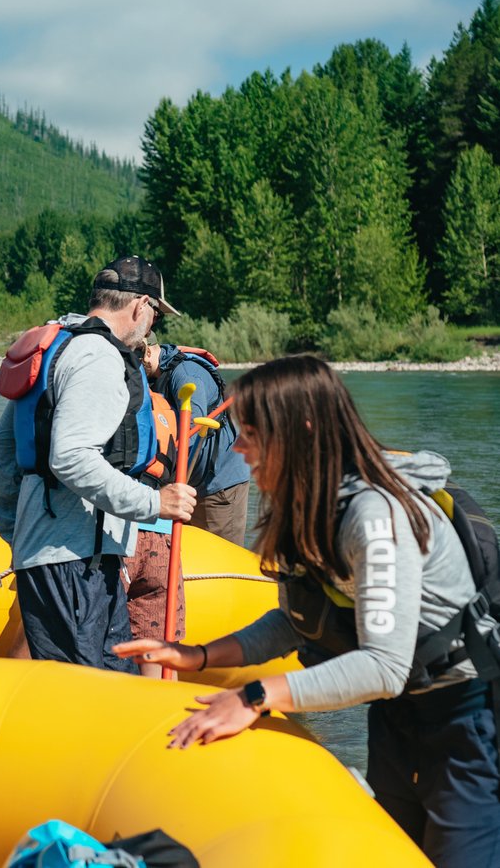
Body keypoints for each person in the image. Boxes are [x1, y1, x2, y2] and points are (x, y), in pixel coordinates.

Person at [117, 355, 500, 868]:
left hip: (463, 716)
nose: (236, 447)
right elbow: (294, 621)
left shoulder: (374, 515)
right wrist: (198, 656)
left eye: (250, 433)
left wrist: (253, 696)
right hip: (399, 715)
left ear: (300, 431)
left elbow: (383, 666)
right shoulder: (306, 505)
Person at [0, 255, 196, 671]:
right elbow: (71, 457)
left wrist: (19, 534)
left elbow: (2, 449)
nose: (152, 324)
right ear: (139, 306)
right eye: (155, 313)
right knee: (90, 696)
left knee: (98, 687)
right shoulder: (100, 358)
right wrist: (156, 504)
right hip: (76, 561)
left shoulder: (60, 346)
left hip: (61, 558)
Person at [142, 341, 250, 542]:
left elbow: (191, 431)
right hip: (187, 484)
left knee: (219, 562)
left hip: (219, 485)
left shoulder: (186, 375)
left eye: (136, 360)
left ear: (147, 352)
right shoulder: (152, 377)